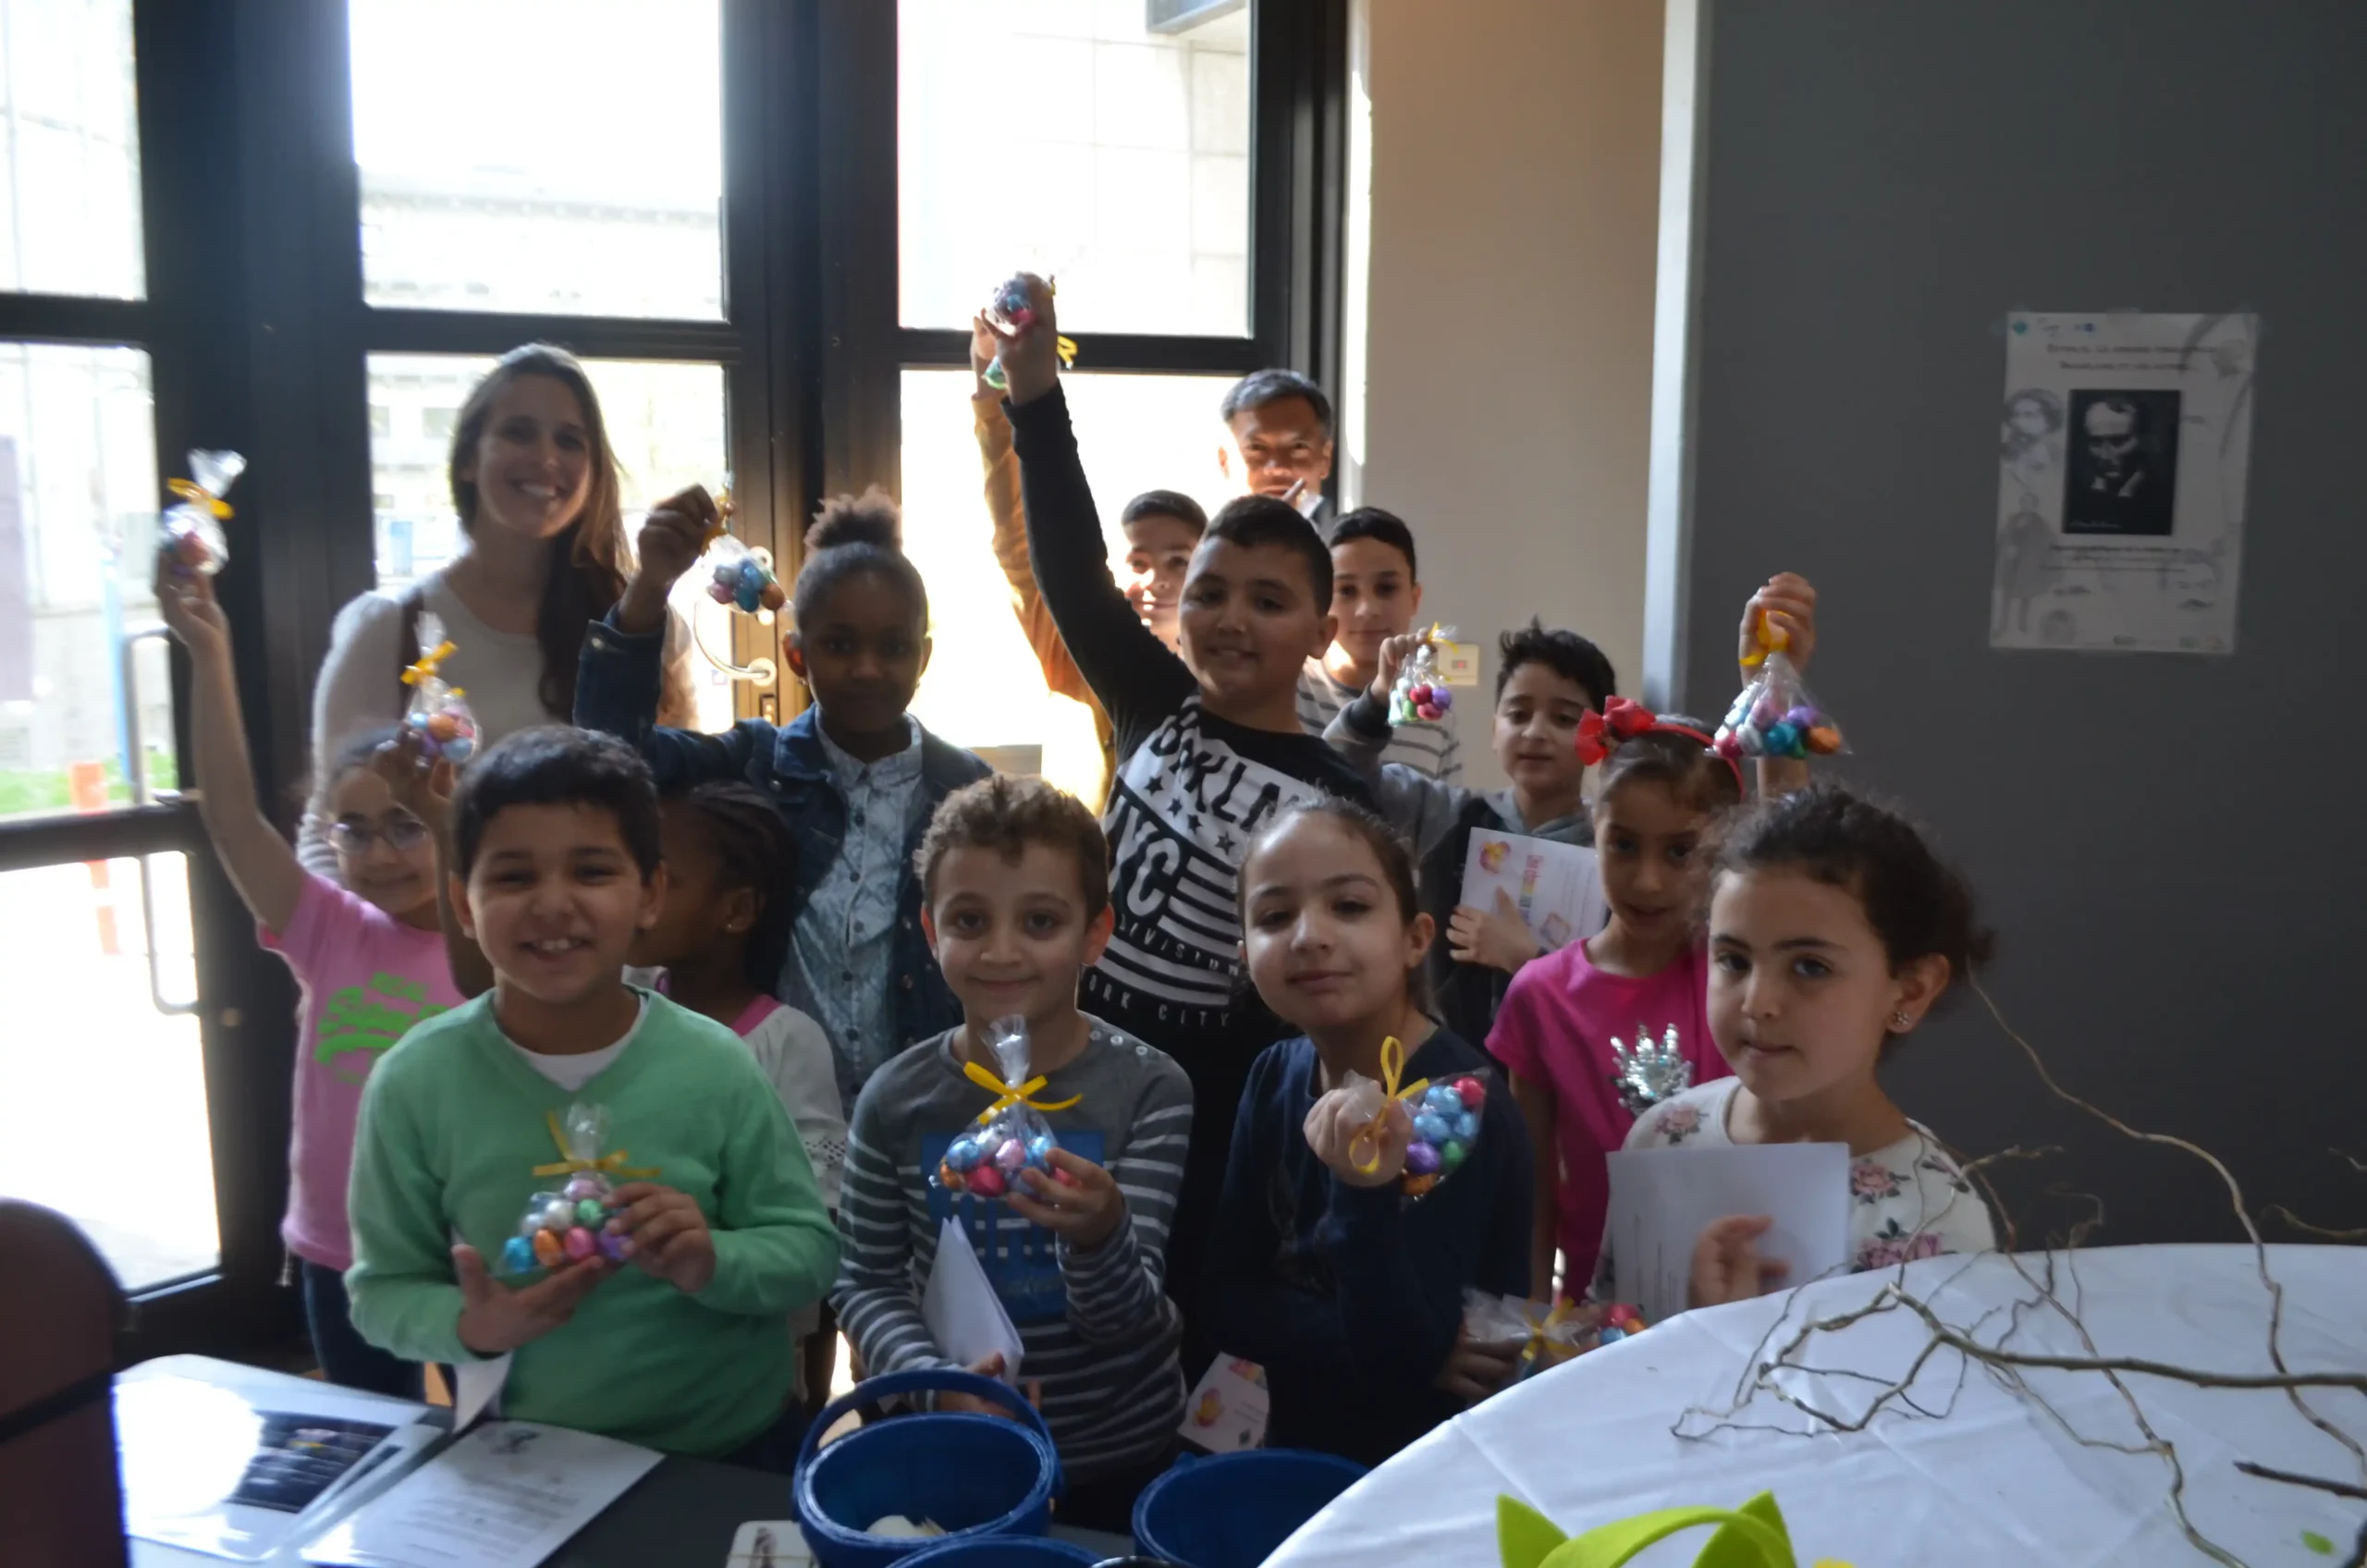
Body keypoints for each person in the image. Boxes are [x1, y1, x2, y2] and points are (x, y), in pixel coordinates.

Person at [990, 274, 1371, 1358]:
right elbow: (1068, 568)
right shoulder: (1151, 699)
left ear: (1316, 623)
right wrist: (1029, 387)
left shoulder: (1342, 798)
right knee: (1047, 1311)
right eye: (1209, 592)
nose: (1231, 618)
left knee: (1170, 1327)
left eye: (1268, 599)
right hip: (1065, 1065)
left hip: (1205, 1124)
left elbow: (1321, 1002)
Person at [345, 728, 839, 1465]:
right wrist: (472, 1324)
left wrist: (711, 1260)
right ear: (465, 902)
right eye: (513, 877)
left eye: (592, 871)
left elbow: (809, 1253)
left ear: (650, 893)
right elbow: (381, 1292)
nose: (553, 904)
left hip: (733, 1447)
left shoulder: (717, 1065)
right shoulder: (416, 1083)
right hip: (529, 1455)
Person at [832, 776, 1191, 1531]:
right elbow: (864, 1279)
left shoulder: (1150, 1089)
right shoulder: (894, 1099)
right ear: (931, 934)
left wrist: (1098, 1234)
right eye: (969, 919)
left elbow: (1130, 1323)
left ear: (1095, 935)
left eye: (1040, 921)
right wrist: (936, 1384)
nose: (1001, 951)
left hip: (1115, 1452)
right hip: (953, 1442)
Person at [153, 557, 464, 1397]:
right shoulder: (329, 928)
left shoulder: (489, 950)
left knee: (502, 1451)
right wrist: (207, 652)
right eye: (354, 831)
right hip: (342, 1253)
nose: (376, 853)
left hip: (467, 1250)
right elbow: (228, 815)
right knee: (371, 1451)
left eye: (404, 826)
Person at [576, 489, 992, 1114]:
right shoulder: (758, 764)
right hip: (773, 1106)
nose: (869, 669)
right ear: (798, 655)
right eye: (841, 645)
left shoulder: (968, 791)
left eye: (895, 647)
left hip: (926, 1111)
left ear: (923, 657)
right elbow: (611, 752)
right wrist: (651, 586)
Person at [1486, 578, 1820, 1301]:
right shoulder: (1539, 997)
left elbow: (1792, 858)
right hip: (1603, 1307)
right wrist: (1535, 1325)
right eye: (1623, 846)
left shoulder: (1729, 973)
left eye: (1681, 852)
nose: (1646, 881)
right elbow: (1533, 1187)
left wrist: (1768, 679)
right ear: (1592, 834)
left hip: (1752, 1290)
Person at [1202, 800, 1531, 1466]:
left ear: (1415, 939)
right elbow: (1222, 1298)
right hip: (1296, 1450)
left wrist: (1361, 1190)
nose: (1309, 936)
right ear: (1245, 954)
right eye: (1274, 917)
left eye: (1348, 907)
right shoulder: (1274, 1074)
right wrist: (1337, 1335)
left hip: (1426, 1470)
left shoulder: (1456, 1106)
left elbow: (1401, 1361)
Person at [303, 344, 697, 876]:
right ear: (468, 459)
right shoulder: (387, 630)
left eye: (569, 440)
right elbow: (327, 831)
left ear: (594, 470)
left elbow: (678, 805)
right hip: (443, 953)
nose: (546, 459)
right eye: (518, 432)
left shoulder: (644, 626)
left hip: (611, 953)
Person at [1611, 783, 1999, 1307]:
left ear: (1910, 988)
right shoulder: (1663, 1138)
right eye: (1734, 960)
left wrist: (1725, 1335)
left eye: (1810, 967)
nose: (1758, 1002)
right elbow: (1605, 1344)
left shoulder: (1937, 1225)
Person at [1324, 619, 1616, 1047]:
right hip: (1440, 1067)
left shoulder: (1611, 849)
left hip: (1560, 1074)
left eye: (1564, 718)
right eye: (1518, 714)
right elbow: (1332, 775)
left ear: (1599, 737)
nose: (1535, 731)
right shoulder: (1447, 815)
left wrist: (1529, 962)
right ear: (1494, 730)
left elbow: (1615, 989)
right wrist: (1378, 700)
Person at [972, 315, 1208, 810]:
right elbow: (1018, 545)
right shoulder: (1069, 654)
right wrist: (994, 397)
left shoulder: (1223, 683)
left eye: (1179, 563)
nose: (1157, 581)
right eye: (1138, 562)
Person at [1294, 508, 1461, 782]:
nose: (1367, 610)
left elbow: (1446, 820)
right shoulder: (1289, 686)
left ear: (1414, 599)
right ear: (1320, 600)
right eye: (1346, 591)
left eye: (1386, 589)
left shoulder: (1434, 712)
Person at [1217, 368, 1333, 521]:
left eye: (1298, 447)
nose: (1278, 468)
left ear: (1325, 458)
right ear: (1224, 461)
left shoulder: (1357, 544)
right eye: (1257, 448)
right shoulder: (1189, 542)